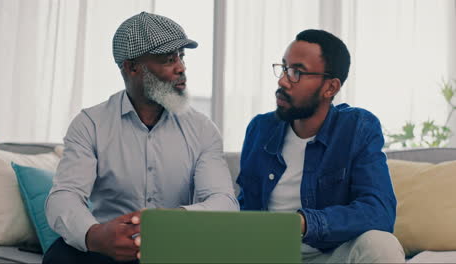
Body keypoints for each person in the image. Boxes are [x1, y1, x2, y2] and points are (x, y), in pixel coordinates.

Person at [43, 11, 238, 264]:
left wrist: (168, 221)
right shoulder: (90, 124)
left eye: (181, 56)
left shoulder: (202, 129)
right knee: (60, 256)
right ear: (132, 67)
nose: (181, 67)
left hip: (178, 249)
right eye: (169, 59)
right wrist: (96, 235)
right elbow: (65, 195)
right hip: (110, 252)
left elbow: (224, 201)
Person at [236, 29, 405, 263]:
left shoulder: (357, 128)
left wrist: (305, 222)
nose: (283, 80)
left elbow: (379, 211)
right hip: (269, 254)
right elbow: (245, 208)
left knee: (381, 245)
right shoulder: (260, 129)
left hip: (328, 255)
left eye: (297, 72)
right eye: (284, 68)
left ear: (330, 88)